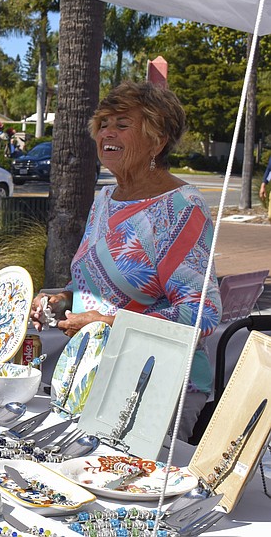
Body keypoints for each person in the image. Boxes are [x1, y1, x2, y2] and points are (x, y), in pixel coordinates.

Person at [30, 81, 221, 441]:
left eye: (122, 123)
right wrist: (62, 302)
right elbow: (91, 285)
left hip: (153, 386)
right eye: (103, 124)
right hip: (88, 375)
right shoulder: (105, 199)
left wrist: (110, 323)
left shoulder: (183, 207)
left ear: (157, 139)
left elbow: (203, 311)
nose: (107, 133)